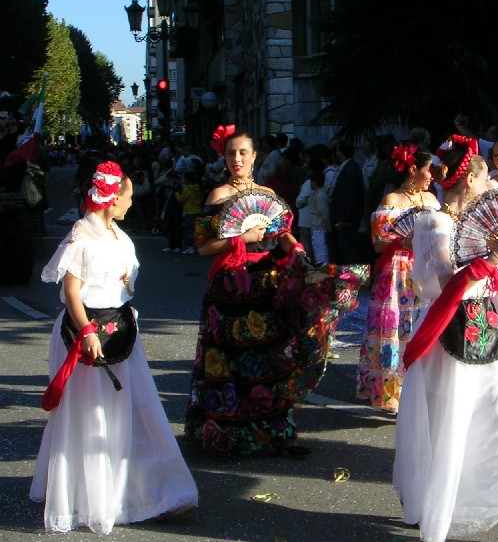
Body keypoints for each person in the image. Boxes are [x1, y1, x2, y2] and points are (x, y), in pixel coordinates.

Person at [394, 135, 498, 542]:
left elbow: (492, 281)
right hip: (450, 337)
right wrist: (494, 258)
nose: (490, 187)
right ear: (469, 180)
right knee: (450, 428)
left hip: (484, 331)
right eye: (485, 178)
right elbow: (448, 286)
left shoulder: (475, 224)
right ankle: (438, 512)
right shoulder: (435, 223)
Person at [31, 161, 198, 534]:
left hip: (121, 332)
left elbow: (122, 282)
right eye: (127, 197)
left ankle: (152, 489)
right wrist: (87, 331)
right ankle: (95, 497)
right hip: (85, 333)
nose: (131, 203)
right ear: (112, 199)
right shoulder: (82, 234)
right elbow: (71, 291)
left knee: (135, 408)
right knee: (92, 416)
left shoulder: (118, 235)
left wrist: (124, 282)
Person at [184, 126, 367, 456]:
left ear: (254, 156)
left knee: (273, 359)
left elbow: (282, 233)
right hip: (229, 285)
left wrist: (296, 249)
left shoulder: (267, 194)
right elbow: (203, 246)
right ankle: (227, 436)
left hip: (268, 283)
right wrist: (242, 238)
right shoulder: (218, 195)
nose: (236, 159)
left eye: (243, 153)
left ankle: (275, 435)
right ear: (223, 158)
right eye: (230, 153)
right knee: (229, 362)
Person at [356, 143, 439, 413]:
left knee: (421, 326)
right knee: (396, 329)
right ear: (414, 169)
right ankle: (392, 392)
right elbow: (379, 243)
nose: (433, 177)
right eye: (429, 171)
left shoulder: (432, 200)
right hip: (398, 273)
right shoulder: (391, 201)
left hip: (425, 270)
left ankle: (422, 388)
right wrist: (405, 241)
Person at [329, 138, 365, 263]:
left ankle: (351, 278)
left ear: (340, 151)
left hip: (347, 219)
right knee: (344, 249)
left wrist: (345, 217)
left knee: (348, 250)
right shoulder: (347, 167)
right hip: (342, 217)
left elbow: (349, 195)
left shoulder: (350, 168)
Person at [176, 170, 203, 254]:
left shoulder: (188, 189)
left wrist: (176, 193)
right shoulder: (198, 187)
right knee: (196, 230)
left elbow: (181, 199)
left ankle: (190, 246)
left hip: (189, 211)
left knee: (188, 229)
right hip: (197, 210)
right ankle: (197, 246)